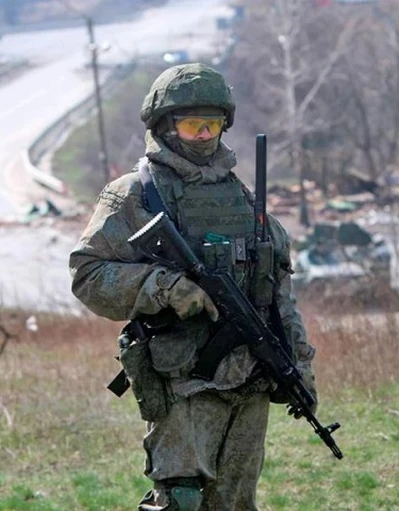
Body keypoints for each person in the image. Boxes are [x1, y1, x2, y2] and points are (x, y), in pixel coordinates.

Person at [69, 63, 317, 511]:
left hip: (251, 379)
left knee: (236, 503)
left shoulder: (243, 198)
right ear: (165, 127)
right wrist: (163, 286)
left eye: (212, 125)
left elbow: (278, 292)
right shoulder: (136, 194)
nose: (203, 135)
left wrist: (299, 365)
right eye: (191, 125)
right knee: (180, 500)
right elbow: (87, 274)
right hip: (182, 380)